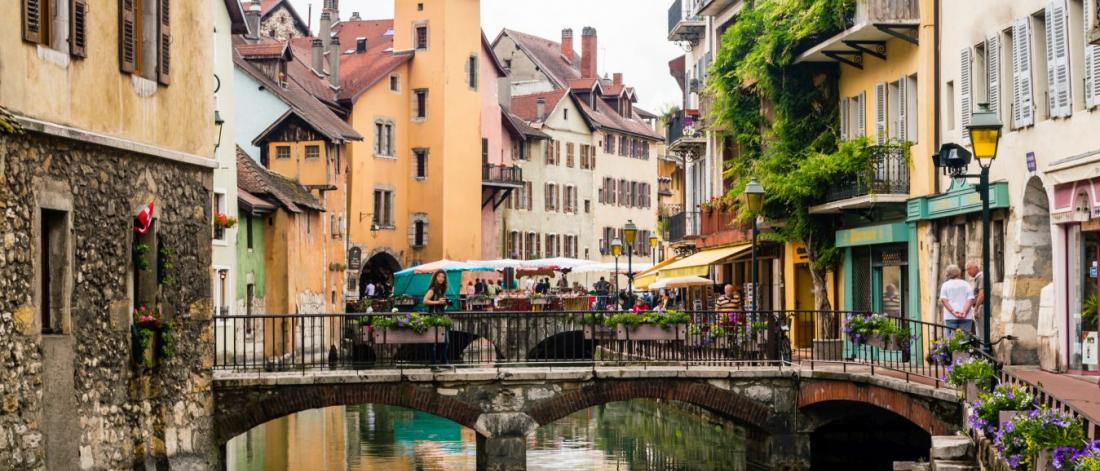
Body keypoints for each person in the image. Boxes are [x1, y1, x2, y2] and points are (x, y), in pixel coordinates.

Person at [422, 270, 450, 368]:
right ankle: (433, 364)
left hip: (441, 317)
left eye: (443, 277)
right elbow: (425, 301)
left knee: (445, 341)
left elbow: (439, 302)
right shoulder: (433, 289)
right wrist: (438, 302)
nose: (441, 278)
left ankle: (444, 362)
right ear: (435, 278)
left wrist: (444, 303)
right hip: (433, 317)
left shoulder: (442, 289)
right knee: (433, 342)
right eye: (439, 276)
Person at [939, 264, 975, 335]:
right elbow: (970, 299)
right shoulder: (966, 284)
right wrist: (964, 312)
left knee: (951, 340)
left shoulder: (945, 285)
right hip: (966, 316)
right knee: (964, 340)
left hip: (950, 316)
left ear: (948, 274)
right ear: (958, 272)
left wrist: (953, 312)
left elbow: (944, 300)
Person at [966, 259, 985, 341]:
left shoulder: (981, 277)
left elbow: (982, 294)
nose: (968, 272)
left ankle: (983, 353)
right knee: (979, 333)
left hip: (981, 307)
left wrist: (976, 308)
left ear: (976, 267)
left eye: (969, 268)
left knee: (981, 333)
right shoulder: (978, 278)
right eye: (967, 270)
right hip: (979, 307)